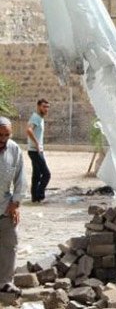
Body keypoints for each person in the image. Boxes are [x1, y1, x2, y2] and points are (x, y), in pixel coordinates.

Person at [0, 117, 27, 296]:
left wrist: (15, 203)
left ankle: (5, 282)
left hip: (4, 205)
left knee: (10, 244)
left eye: (6, 135)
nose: (2, 138)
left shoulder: (14, 149)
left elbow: (21, 179)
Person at [25, 99, 50, 203]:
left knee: (36, 174)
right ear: (38, 106)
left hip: (35, 150)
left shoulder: (40, 118)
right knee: (46, 174)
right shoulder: (36, 117)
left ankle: (35, 198)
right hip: (35, 151)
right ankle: (40, 195)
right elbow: (28, 130)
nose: (46, 109)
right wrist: (36, 144)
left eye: (47, 107)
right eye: (44, 106)